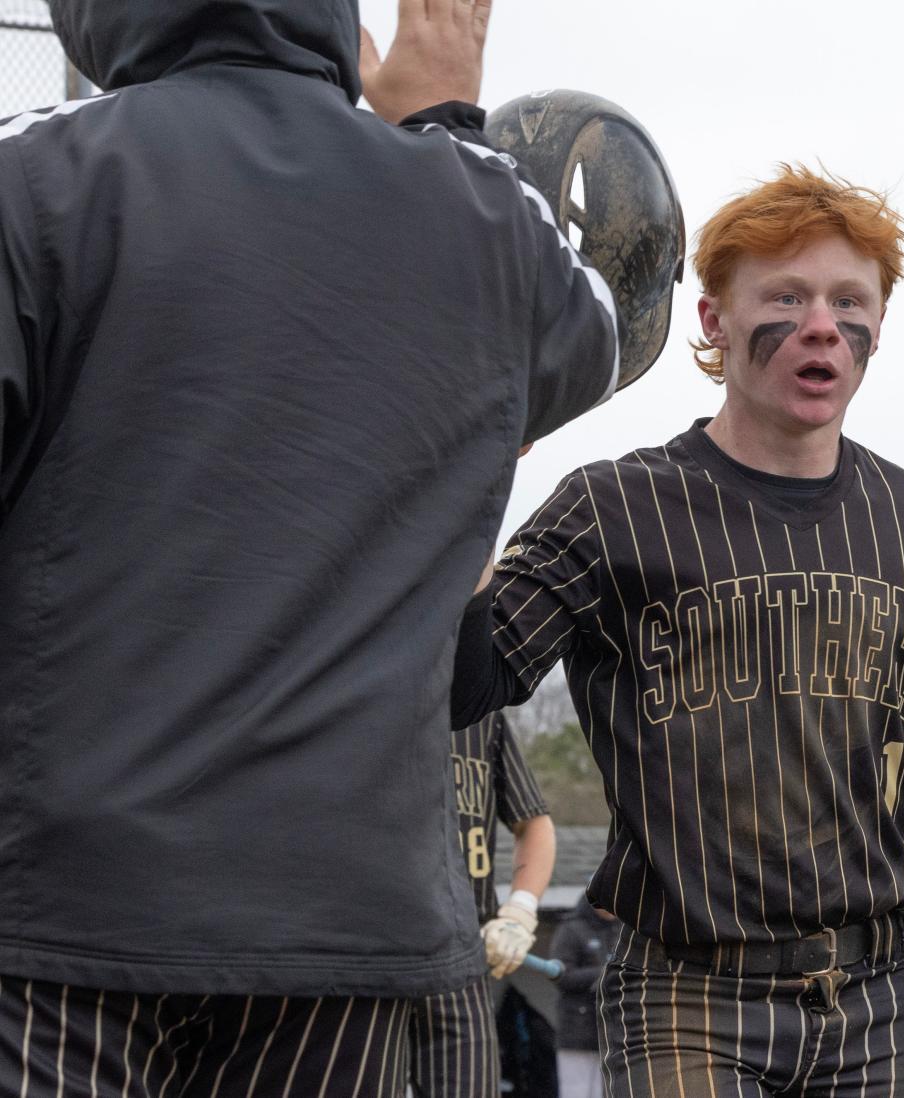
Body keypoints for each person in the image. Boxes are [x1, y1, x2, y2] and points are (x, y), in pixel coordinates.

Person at [0, 0, 621, 1092]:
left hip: (63, 906)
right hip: (346, 916)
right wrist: (439, 135)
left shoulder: (38, 172)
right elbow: (594, 339)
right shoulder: (481, 216)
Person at [452, 165, 904, 1095]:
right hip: (686, 1000)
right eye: (786, 295)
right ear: (713, 321)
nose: (822, 322)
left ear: (876, 331)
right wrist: (461, 472)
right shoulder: (611, 506)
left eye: (848, 300)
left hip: (875, 1005)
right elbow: (466, 684)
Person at [410, 712, 557, 1097]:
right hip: (362, 952)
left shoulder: (481, 710)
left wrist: (520, 911)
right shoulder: (343, 675)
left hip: (463, 953)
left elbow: (534, 823)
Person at [550, 892, 622, 1098]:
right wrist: (605, 974)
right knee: (577, 1091)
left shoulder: (624, 929)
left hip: (615, 1031)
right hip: (577, 1028)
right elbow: (561, 975)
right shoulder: (571, 928)